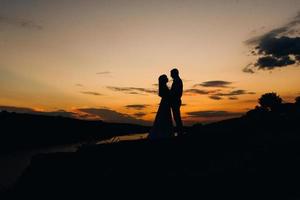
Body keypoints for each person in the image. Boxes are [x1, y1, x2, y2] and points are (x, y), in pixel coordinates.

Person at [148, 75, 174, 139]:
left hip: (165, 103)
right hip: (165, 103)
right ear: (163, 80)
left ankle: (165, 132)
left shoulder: (164, 86)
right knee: (164, 116)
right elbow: (165, 95)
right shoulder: (164, 87)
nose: (167, 78)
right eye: (166, 78)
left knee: (164, 116)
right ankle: (164, 133)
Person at [170, 68, 183, 136]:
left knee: (177, 117)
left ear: (175, 74)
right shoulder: (177, 80)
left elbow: (176, 92)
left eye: (171, 74)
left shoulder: (177, 81)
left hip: (176, 101)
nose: (170, 75)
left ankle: (180, 132)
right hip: (176, 101)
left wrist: (171, 95)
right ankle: (180, 131)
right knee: (177, 117)